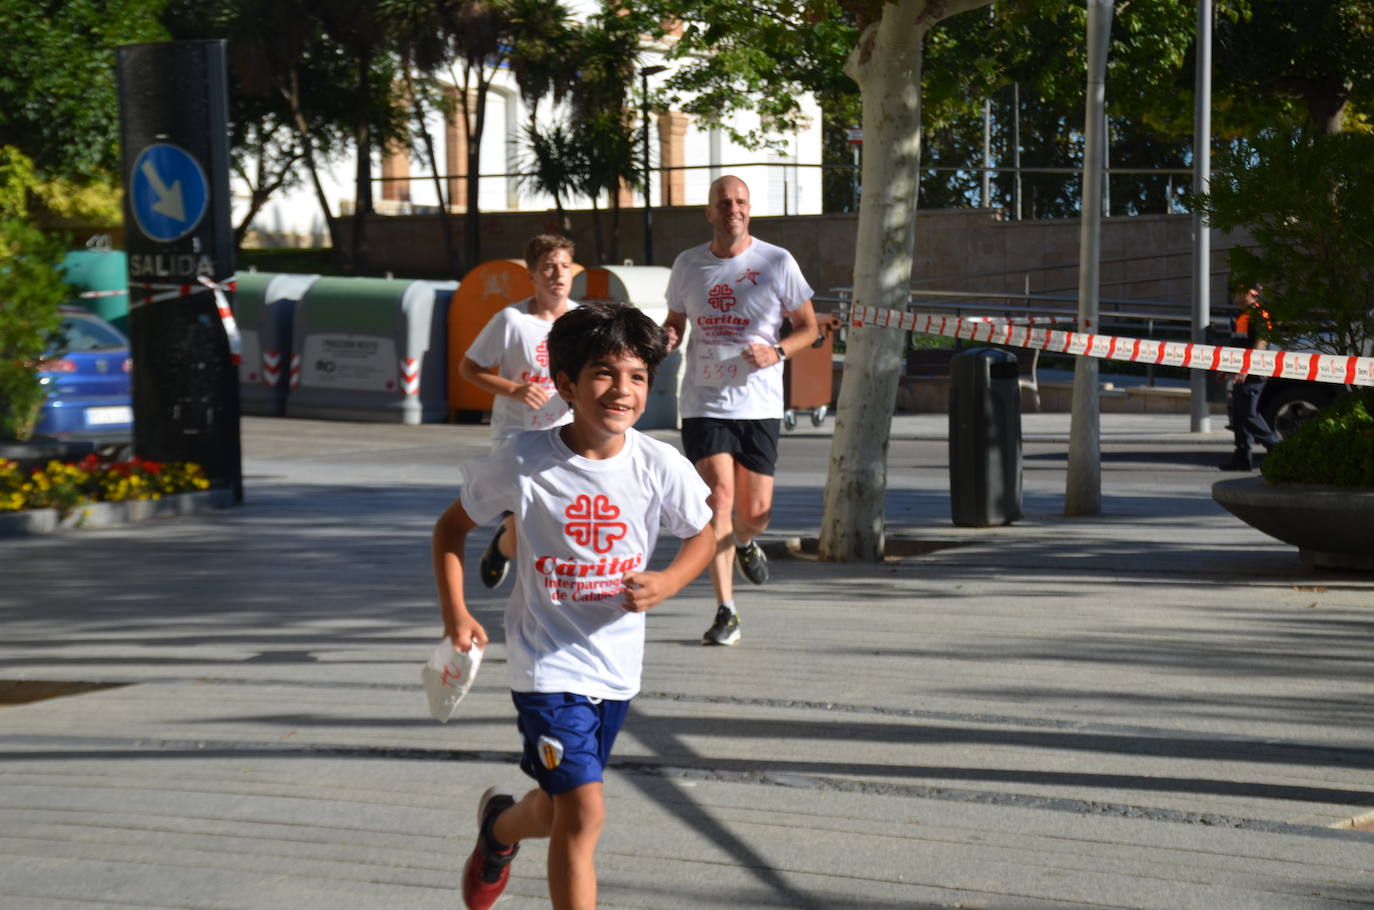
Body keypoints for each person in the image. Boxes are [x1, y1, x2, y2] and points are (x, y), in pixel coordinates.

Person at [434, 302, 715, 910]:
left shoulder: (659, 463)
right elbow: (450, 529)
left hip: (615, 671)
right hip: (545, 669)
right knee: (585, 811)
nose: (622, 390)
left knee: (561, 804)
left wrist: (668, 581)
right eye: (604, 373)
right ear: (564, 384)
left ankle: (498, 831)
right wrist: (458, 615)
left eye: (638, 376)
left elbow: (704, 532)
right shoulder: (524, 461)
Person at [663, 174, 819, 647]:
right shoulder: (688, 265)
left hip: (759, 401)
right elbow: (675, 324)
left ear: (749, 209)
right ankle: (726, 610)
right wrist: (663, 340)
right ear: (709, 212)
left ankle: (747, 541)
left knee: (756, 512)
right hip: (704, 401)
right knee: (720, 502)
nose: (733, 208)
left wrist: (778, 351)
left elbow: (808, 327)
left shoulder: (775, 261)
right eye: (723, 202)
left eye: (741, 201)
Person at [458, 234, 579, 588]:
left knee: (553, 520)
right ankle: (504, 547)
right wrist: (515, 389)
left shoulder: (582, 319)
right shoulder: (511, 321)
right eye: (548, 267)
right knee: (523, 524)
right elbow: (470, 368)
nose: (557, 274)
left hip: (565, 435)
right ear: (533, 276)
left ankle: (538, 578)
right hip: (517, 436)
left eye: (564, 266)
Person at [1220, 283, 1278, 471]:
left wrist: (1245, 369)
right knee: (1239, 417)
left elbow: (1260, 344)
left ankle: (1276, 448)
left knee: (1248, 415)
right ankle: (1242, 459)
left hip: (1253, 374)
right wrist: (1226, 369)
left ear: (1252, 294)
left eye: (1239, 292)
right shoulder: (1243, 314)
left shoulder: (1259, 314)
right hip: (1241, 374)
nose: (1235, 296)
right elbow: (1239, 344)